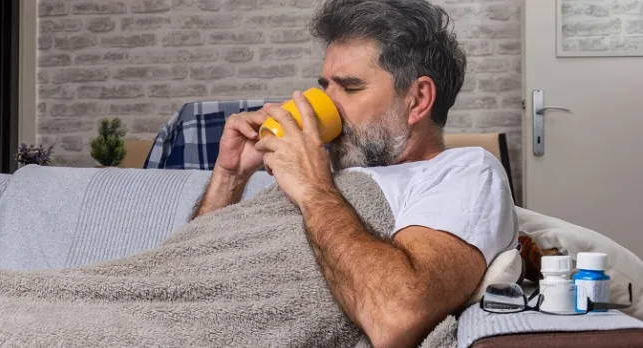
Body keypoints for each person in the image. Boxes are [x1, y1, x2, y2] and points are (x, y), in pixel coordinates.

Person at [190, 0, 518, 347]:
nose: (327, 104)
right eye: (325, 87)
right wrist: (230, 177)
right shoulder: (325, 178)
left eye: (349, 87)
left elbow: (396, 316)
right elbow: (190, 270)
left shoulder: (464, 173)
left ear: (418, 100)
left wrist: (312, 188)